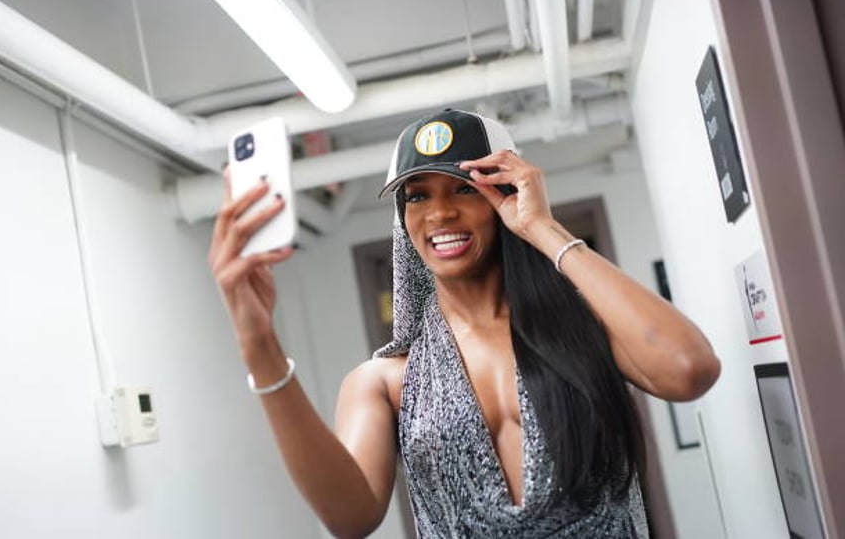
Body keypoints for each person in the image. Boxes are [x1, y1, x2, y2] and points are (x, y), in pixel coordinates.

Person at [209, 108, 721, 538]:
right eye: (417, 195)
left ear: (506, 193)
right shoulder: (387, 381)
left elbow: (689, 369)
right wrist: (260, 347)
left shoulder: (586, 332)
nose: (439, 214)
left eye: (463, 189)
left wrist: (541, 228)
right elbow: (350, 518)